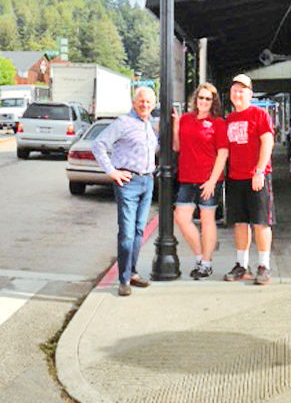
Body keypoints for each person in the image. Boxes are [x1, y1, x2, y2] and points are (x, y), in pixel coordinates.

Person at [92, 86, 158, 297]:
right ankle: (123, 279)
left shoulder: (149, 125)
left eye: (148, 102)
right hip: (128, 183)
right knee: (127, 233)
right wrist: (112, 171)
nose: (145, 105)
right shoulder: (123, 123)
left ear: (153, 105)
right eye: (141, 101)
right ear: (133, 102)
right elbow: (98, 144)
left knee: (139, 231)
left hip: (147, 181)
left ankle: (132, 273)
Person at [223, 73, 275, 285]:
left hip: (257, 177)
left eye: (242, 90)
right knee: (239, 223)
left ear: (250, 94)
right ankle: (241, 265)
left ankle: (264, 266)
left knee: (261, 223)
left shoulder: (260, 114)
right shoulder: (229, 119)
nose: (238, 93)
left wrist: (260, 171)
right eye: (235, 90)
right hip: (235, 177)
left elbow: (268, 142)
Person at [172, 83, 228, 279]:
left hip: (208, 180)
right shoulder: (186, 119)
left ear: (213, 102)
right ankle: (199, 256)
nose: (203, 101)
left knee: (207, 221)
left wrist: (213, 181)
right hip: (187, 178)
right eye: (201, 97)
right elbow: (177, 147)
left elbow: (223, 154)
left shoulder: (218, 123)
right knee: (181, 218)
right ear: (195, 99)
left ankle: (206, 263)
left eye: (208, 98)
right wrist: (176, 126)